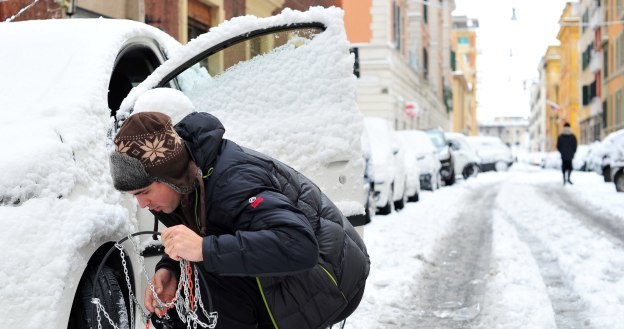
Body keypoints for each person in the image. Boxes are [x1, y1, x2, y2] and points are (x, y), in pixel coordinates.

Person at [109, 88, 370, 329]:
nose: (142, 204)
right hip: (286, 273)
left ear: (170, 175)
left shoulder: (234, 181)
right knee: (179, 306)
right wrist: (170, 269)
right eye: (134, 196)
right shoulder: (183, 184)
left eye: (144, 192)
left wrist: (203, 249)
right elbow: (207, 230)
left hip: (327, 277)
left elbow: (299, 245)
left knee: (210, 283)